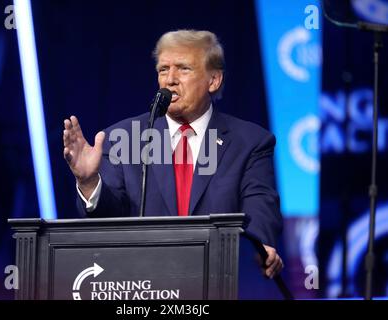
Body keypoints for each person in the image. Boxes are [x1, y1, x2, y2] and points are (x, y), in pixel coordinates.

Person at [63, 30, 283, 278]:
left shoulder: (250, 141)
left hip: (220, 277)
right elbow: (109, 220)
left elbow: (260, 203)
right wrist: (89, 182)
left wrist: (260, 245)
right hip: (142, 284)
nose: (170, 79)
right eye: (163, 70)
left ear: (214, 80)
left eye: (184, 69)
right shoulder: (120, 138)